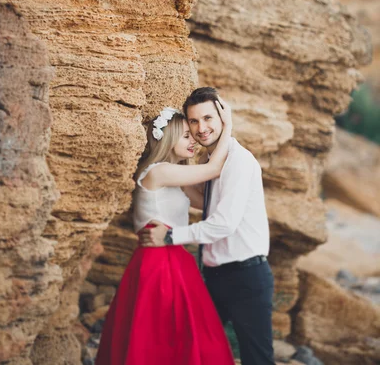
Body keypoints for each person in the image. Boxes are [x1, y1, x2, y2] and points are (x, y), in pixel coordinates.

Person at [140, 87, 276, 365]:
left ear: (223, 118)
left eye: (208, 118)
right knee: (195, 349)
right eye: (193, 121)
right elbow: (206, 203)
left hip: (246, 277)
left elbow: (223, 224)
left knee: (257, 359)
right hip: (214, 278)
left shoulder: (239, 161)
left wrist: (169, 237)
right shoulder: (209, 162)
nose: (201, 128)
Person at [95, 104, 235, 365]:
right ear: (168, 138)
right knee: (160, 336)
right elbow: (214, 170)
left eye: (192, 136)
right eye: (186, 135)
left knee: (182, 334)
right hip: (158, 262)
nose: (193, 140)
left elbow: (205, 201)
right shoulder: (158, 172)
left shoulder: (174, 176)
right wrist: (226, 127)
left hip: (174, 258)